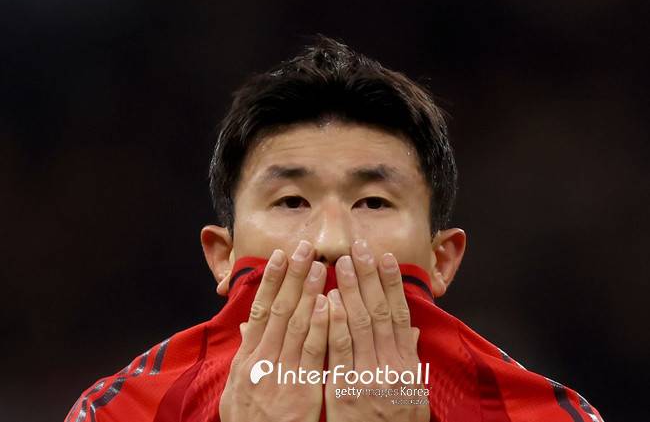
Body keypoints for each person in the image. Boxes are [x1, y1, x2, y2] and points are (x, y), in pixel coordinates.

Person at [65, 35, 603, 422]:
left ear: (441, 259)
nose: (331, 242)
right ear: (222, 255)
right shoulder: (119, 412)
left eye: (372, 202)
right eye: (291, 201)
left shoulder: (546, 415)